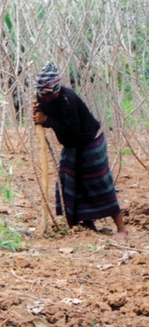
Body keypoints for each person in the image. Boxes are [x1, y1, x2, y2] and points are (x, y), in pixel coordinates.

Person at [32, 62, 127, 238]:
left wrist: (48, 121)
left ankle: (122, 229)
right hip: (71, 144)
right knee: (70, 180)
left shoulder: (69, 99)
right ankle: (86, 225)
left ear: (57, 90)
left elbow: (72, 131)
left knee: (99, 182)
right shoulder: (42, 98)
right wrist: (39, 117)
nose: (46, 98)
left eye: (50, 95)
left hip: (89, 140)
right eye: (43, 95)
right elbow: (45, 117)